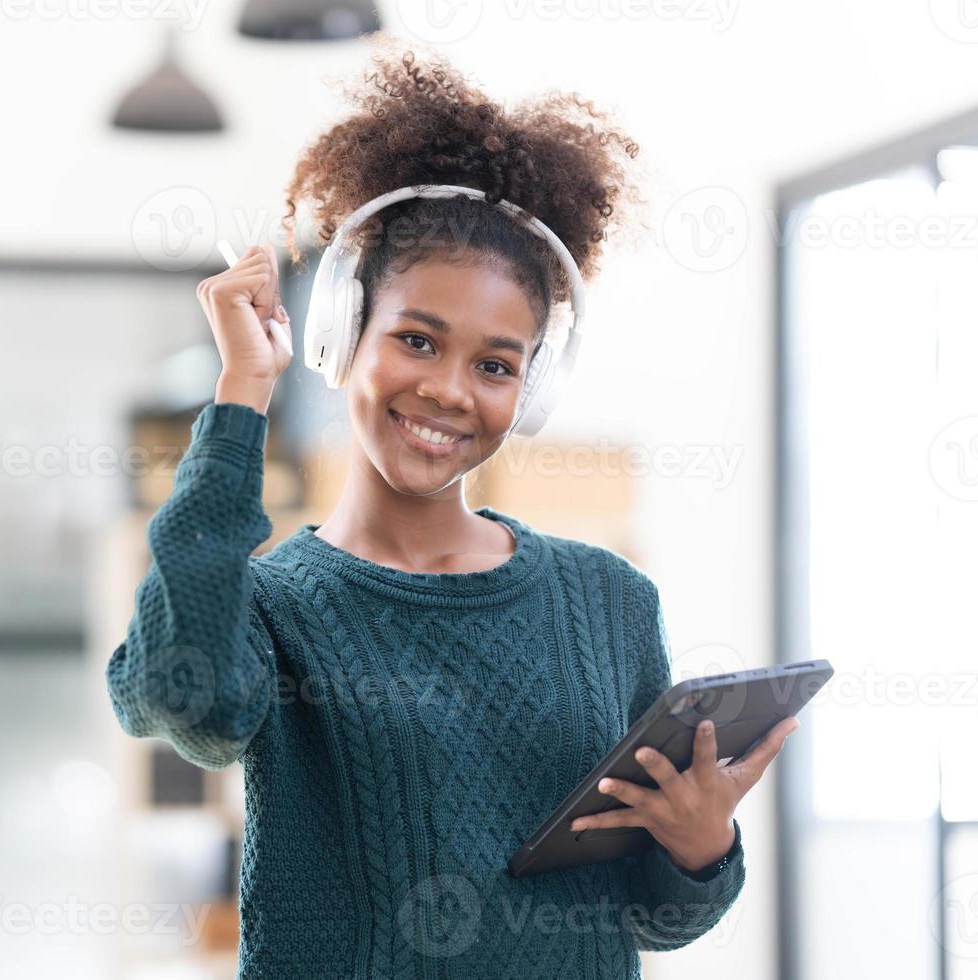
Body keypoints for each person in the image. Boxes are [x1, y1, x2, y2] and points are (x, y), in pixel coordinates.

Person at [106, 37, 798, 980]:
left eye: (496, 365)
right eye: (418, 340)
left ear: (533, 387)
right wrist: (240, 399)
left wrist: (700, 842)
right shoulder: (273, 604)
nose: (449, 392)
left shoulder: (608, 602)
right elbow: (185, 702)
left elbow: (651, 918)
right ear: (345, 333)